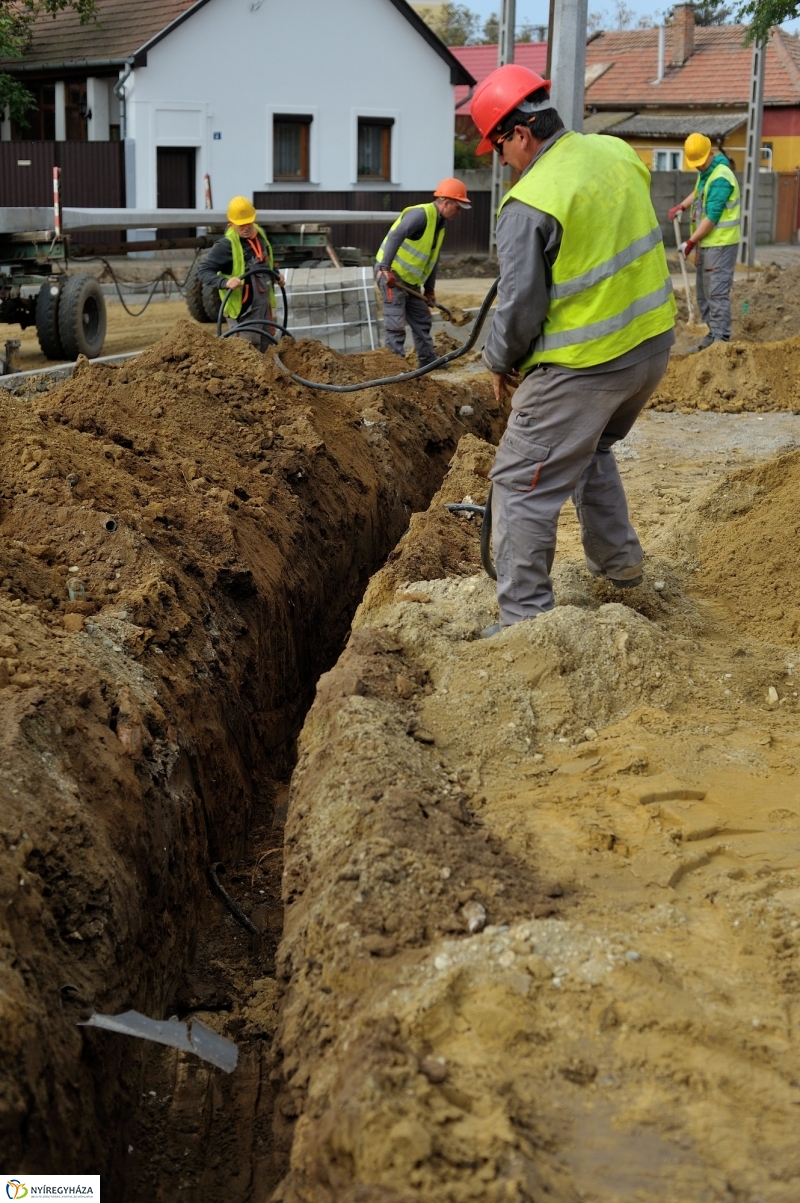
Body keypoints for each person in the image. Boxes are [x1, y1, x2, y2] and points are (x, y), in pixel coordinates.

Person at [470, 63, 676, 635]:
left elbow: (518, 308)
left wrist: (499, 361)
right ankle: (621, 570)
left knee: (519, 485)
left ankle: (524, 622)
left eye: (498, 148)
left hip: (587, 364)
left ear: (519, 133)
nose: (501, 162)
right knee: (590, 452)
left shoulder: (530, 201)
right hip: (651, 347)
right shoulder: (614, 151)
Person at [374, 179, 471, 366]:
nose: (459, 212)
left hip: (410, 281)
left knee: (422, 319)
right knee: (395, 324)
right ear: (447, 202)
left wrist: (429, 289)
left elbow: (431, 259)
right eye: (458, 207)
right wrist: (386, 268)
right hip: (391, 276)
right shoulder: (421, 215)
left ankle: (428, 361)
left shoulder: (439, 225)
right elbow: (395, 235)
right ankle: (395, 368)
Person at [668, 134, 740, 352]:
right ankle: (711, 336)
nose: (697, 167)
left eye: (699, 162)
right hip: (708, 244)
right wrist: (682, 205)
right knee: (704, 292)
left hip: (720, 243)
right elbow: (698, 192)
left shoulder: (720, 178)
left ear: (710, 153)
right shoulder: (707, 173)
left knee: (716, 292)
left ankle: (721, 341)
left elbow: (712, 217)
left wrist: (690, 241)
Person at [198, 196, 281, 350]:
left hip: (263, 309)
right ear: (232, 223)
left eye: (248, 223)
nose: (245, 228)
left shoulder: (260, 236)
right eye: (240, 225)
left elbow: (266, 261)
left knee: (268, 348)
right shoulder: (226, 245)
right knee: (247, 353)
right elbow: (203, 271)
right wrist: (225, 282)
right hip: (243, 313)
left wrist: (276, 274)